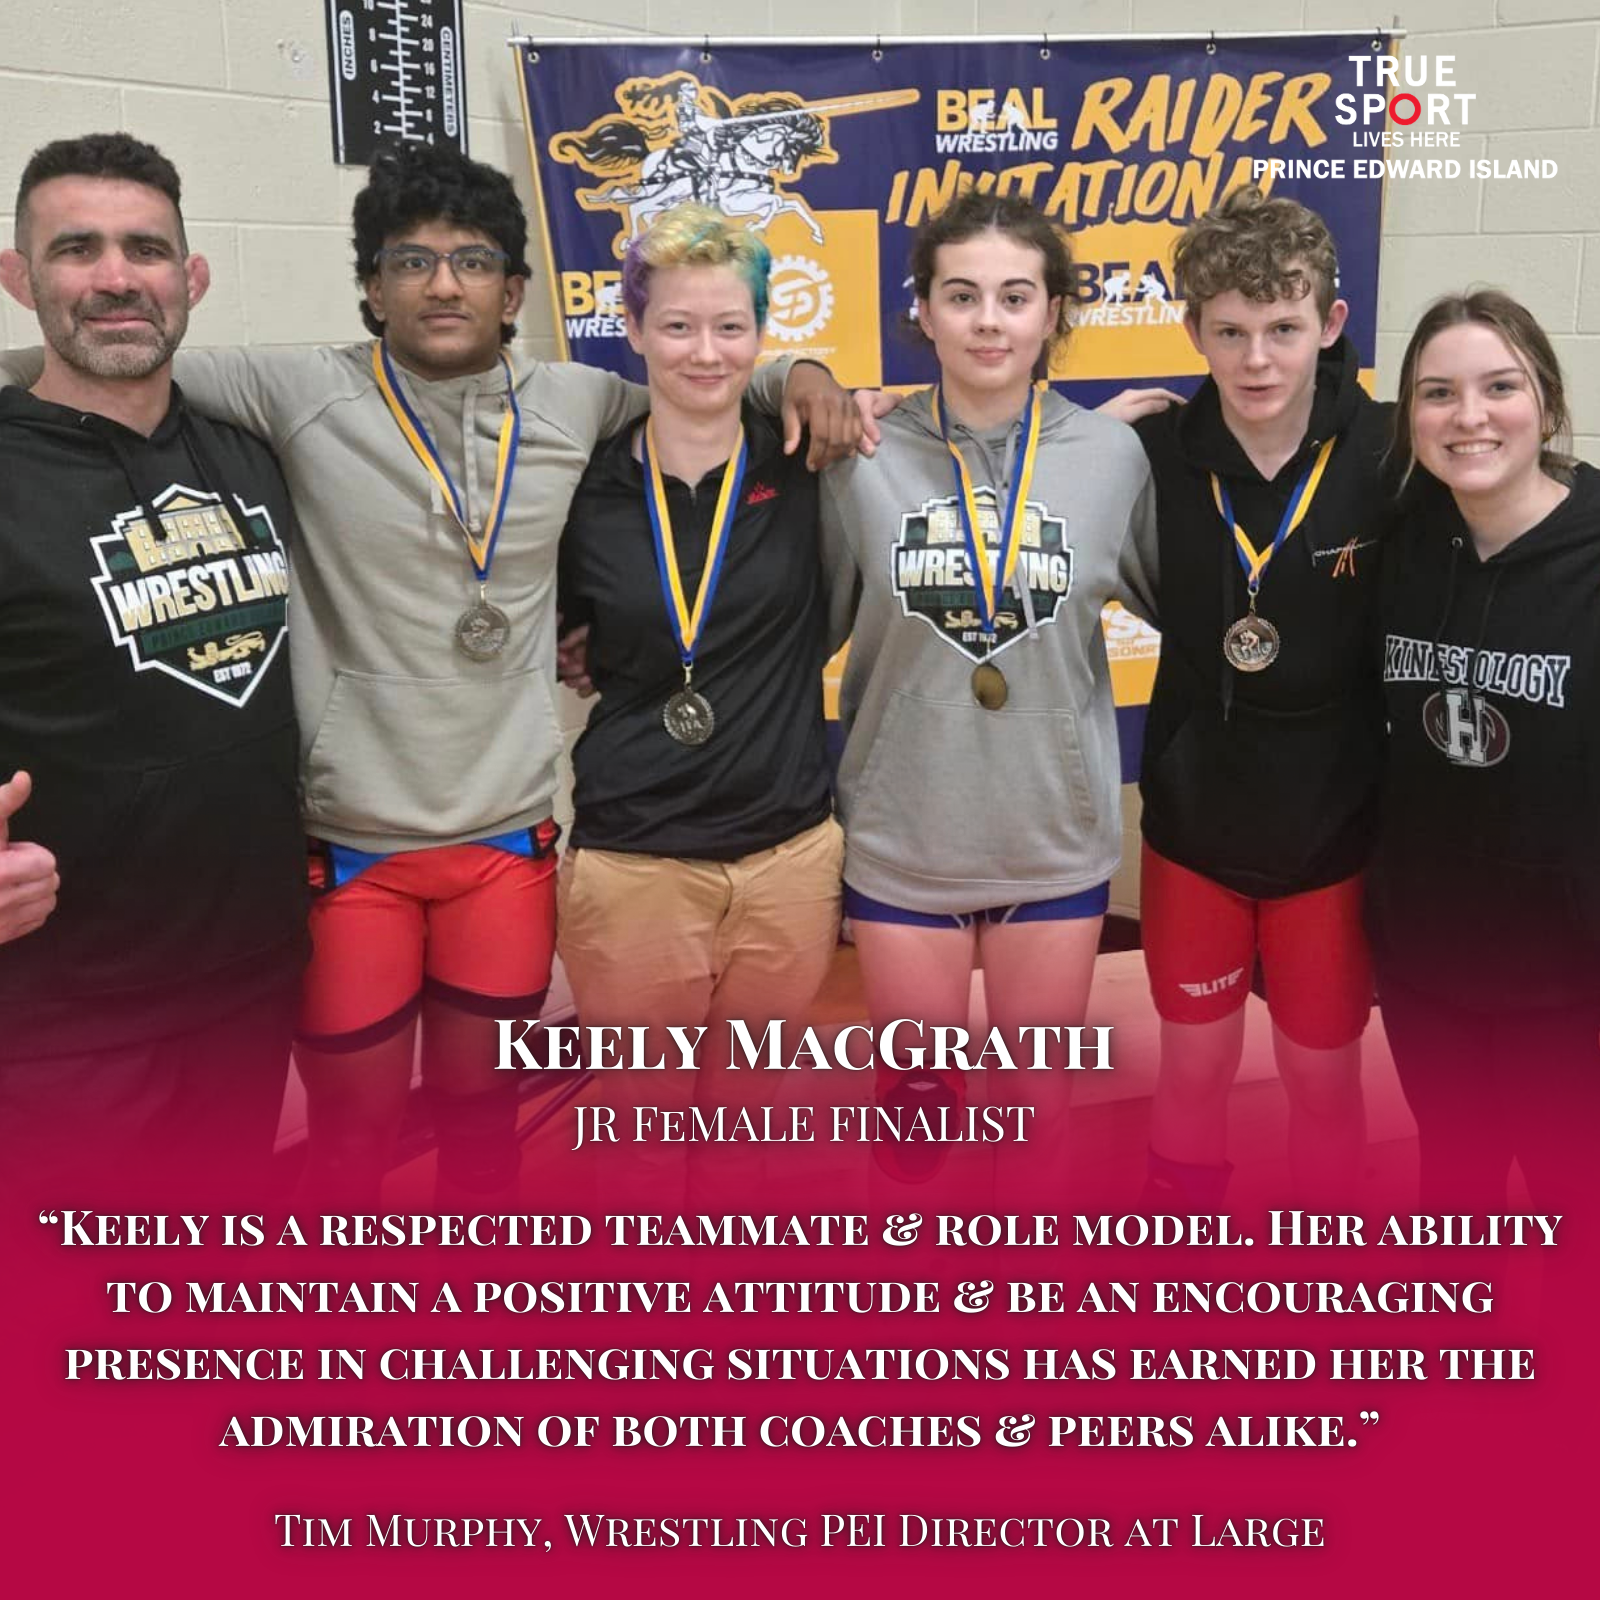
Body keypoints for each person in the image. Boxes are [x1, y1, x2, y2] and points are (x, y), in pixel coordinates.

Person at [0, 140, 864, 1209]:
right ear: (370, 283)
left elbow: (711, 367)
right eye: (410, 261)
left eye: (472, 260)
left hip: (505, 836)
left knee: (483, 1124)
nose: (443, 282)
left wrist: (804, 373)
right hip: (351, 840)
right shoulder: (292, 387)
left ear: (514, 287)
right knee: (353, 1137)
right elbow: (97, 349)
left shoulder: (580, 399)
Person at [821, 191, 1158, 1198]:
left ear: (1054, 312)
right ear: (920, 310)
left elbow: (1209, 603)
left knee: (1031, 1113)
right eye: (960, 295)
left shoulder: (1112, 458)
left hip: (1048, 831)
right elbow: (785, 622)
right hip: (904, 828)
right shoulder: (857, 456)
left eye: (1016, 296)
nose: (988, 320)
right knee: (915, 1110)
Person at [0, 133, 305, 1193]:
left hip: (251, 978)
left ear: (192, 278)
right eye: (77, 248)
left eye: (146, 248)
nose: (117, 276)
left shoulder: (252, 454)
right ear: (18, 277)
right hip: (62, 1016)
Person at [556, 205, 843, 1207]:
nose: (704, 351)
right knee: (639, 1143)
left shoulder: (804, 460)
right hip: (636, 860)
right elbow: (554, 631)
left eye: (731, 326)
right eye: (677, 325)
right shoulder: (583, 488)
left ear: (761, 335)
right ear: (632, 330)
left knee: (743, 1129)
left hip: (787, 859)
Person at [1123, 187, 1393, 1208]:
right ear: (1192, 330)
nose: (1256, 360)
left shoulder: (1389, 453)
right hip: (1194, 829)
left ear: (1327, 324)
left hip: (1334, 834)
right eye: (1228, 332)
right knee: (1191, 1069)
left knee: (1323, 1078)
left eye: (1283, 328)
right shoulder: (1150, 454)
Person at [1372, 290, 1600, 1217]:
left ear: (1543, 397)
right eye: (1437, 394)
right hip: (1428, 961)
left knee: (1568, 1201)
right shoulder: (1400, 542)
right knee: (1453, 1186)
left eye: (1498, 386)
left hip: (1570, 974)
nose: (1468, 417)